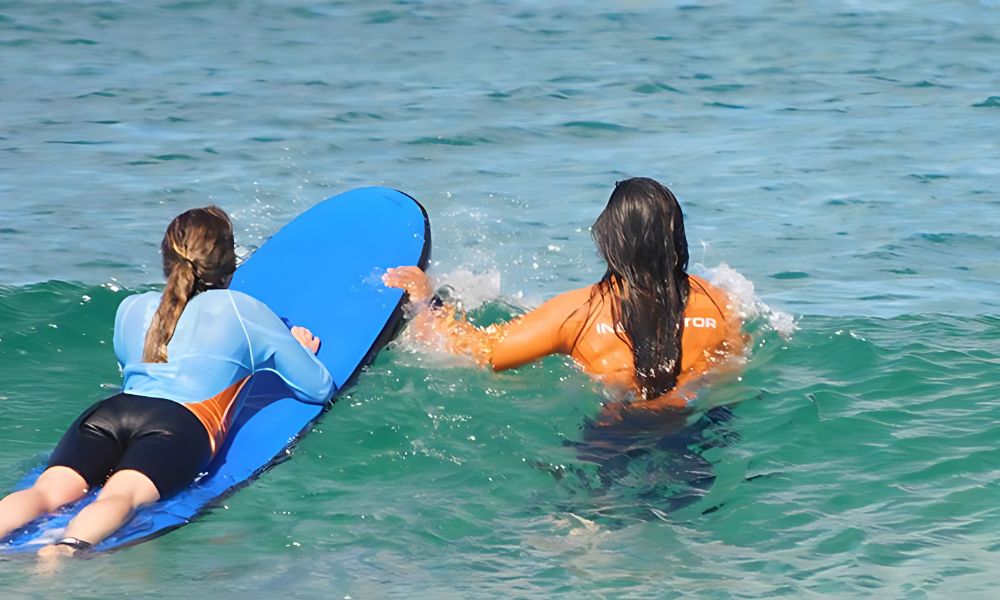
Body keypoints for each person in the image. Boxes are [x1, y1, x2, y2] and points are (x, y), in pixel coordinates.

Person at [0, 206, 334, 557]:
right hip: (177, 425)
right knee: (121, 494)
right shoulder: (240, 308)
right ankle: (64, 551)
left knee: (47, 492)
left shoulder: (131, 306)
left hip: (107, 414)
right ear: (228, 262)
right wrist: (296, 350)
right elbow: (317, 388)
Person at [383, 177, 744, 414]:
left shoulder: (580, 312)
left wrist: (425, 301)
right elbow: (729, 373)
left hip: (617, 433)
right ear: (676, 237)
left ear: (611, 243)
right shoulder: (719, 303)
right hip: (693, 432)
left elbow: (482, 352)